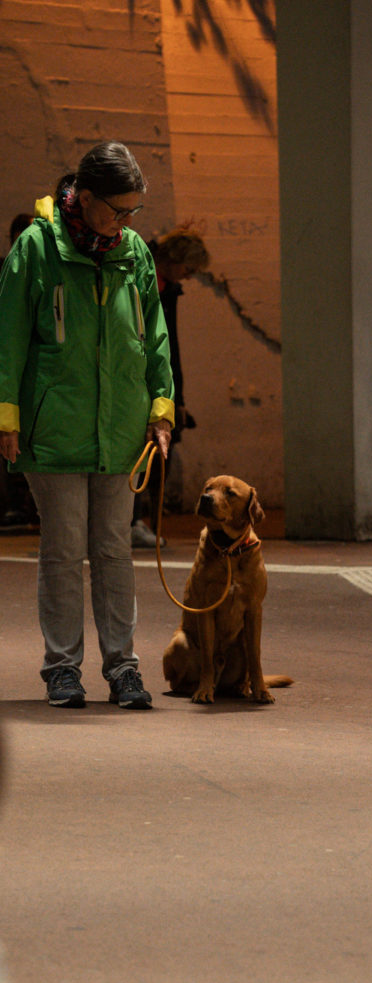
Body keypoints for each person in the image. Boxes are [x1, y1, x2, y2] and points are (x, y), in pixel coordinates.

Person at [0, 140, 174, 709]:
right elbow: (7, 340)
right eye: (117, 210)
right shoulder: (35, 250)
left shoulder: (134, 255)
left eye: (134, 213)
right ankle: (62, 669)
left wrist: (161, 409)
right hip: (55, 430)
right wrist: (7, 415)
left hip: (122, 432)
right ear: (86, 195)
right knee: (63, 550)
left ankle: (123, 667)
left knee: (114, 551)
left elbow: (155, 340)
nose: (125, 223)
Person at [131, 227, 209, 547]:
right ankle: (131, 520)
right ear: (174, 260)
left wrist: (178, 397)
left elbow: (170, 345)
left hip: (157, 382)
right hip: (136, 379)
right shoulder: (143, 276)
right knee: (140, 453)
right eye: (188, 270)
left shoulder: (169, 288)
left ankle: (137, 520)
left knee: (159, 452)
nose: (189, 277)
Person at [0, 213, 38, 533]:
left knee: (23, 444)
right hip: (10, 372)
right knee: (8, 446)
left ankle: (25, 507)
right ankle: (12, 506)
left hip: (31, 379)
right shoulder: (8, 270)